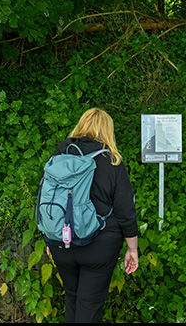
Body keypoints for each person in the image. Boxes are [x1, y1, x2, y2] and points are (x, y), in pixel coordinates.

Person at [44, 108, 139, 323]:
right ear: (108, 131)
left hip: (62, 243)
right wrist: (132, 249)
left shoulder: (59, 157)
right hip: (100, 246)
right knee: (89, 305)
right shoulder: (112, 161)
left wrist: (49, 237)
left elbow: (47, 199)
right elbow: (126, 211)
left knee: (72, 299)